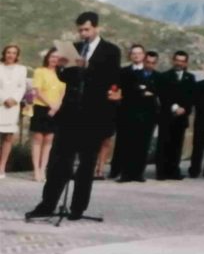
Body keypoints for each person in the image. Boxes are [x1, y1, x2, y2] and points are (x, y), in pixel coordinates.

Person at [27, 12, 121, 220]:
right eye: (80, 30)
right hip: (70, 113)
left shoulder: (111, 51)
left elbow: (111, 77)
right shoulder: (76, 48)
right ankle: (47, 204)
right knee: (59, 161)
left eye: (86, 29)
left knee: (86, 164)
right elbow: (66, 78)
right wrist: (61, 66)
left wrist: (88, 67)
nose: (83, 34)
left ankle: (78, 208)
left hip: (94, 114)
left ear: (96, 28)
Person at [116, 49, 160, 183]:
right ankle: (125, 173)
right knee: (128, 144)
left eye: (153, 63)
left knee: (143, 145)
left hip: (149, 116)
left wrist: (147, 92)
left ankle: (138, 173)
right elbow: (129, 91)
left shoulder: (159, 77)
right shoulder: (134, 74)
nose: (149, 64)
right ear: (144, 60)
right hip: (132, 114)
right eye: (147, 61)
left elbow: (159, 92)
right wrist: (143, 92)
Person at [155, 51, 196, 180]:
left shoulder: (190, 77)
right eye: (177, 60)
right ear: (173, 61)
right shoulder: (164, 76)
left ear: (186, 63)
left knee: (177, 145)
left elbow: (191, 96)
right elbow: (162, 94)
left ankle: (173, 171)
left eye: (182, 61)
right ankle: (161, 172)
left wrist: (184, 108)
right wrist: (174, 107)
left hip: (181, 117)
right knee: (163, 144)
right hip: (167, 116)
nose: (179, 63)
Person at [108, 44, 145, 180]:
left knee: (140, 144)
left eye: (139, 53)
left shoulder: (148, 72)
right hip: (125, 111)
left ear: (143, 55)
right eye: (133, 53)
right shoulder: (123, 72)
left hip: (142, 114)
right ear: (130, 55)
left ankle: (137, 173)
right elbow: (115, 88)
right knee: (123, 143)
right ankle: (118, 170)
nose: (136, 55)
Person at [29, 47, 65, 182]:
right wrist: (51, 105)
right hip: (41, 107)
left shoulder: (62, 74)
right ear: (48, 57)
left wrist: (56, 107)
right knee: (38, 139)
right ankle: (36, 170)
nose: (54, 59)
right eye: (52, 56)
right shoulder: (40, 71)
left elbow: (63, 93)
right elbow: (37, 91)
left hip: (56, 109)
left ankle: (43, 168)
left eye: (57, 57)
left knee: (49, 140)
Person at [0, 44, 28, 179]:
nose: (10, 55)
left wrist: (14, 99)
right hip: (0, 104)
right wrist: (5, 98)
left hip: (12, 107)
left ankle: (2, 168)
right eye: (8, 52)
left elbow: (21, 87)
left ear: (17, 55)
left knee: (8, 137)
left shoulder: (21, 70)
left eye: (13, 53)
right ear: (4, 54)